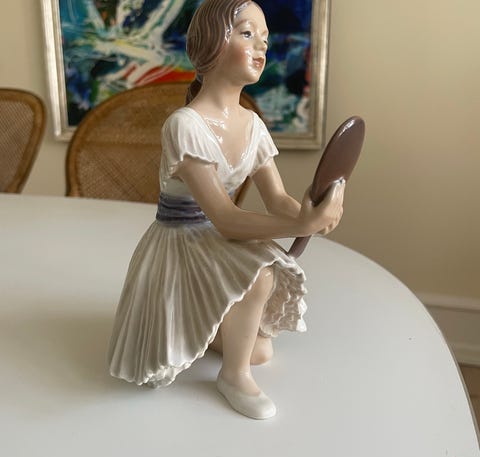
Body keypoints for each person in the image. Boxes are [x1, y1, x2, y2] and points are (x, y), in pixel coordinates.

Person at [108, 0, 345, 420]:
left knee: (262, 350)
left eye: (265, 39)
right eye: (248, 33)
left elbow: (277, 200)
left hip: (213, 239)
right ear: (213, 41)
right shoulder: (184, 125)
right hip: (179, 244)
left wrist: (307, 213)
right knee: (260, 275)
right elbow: (226, 219)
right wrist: (301, 222)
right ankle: (233, 377)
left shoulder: (252, 125)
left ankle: (209, 327)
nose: (261, 48)